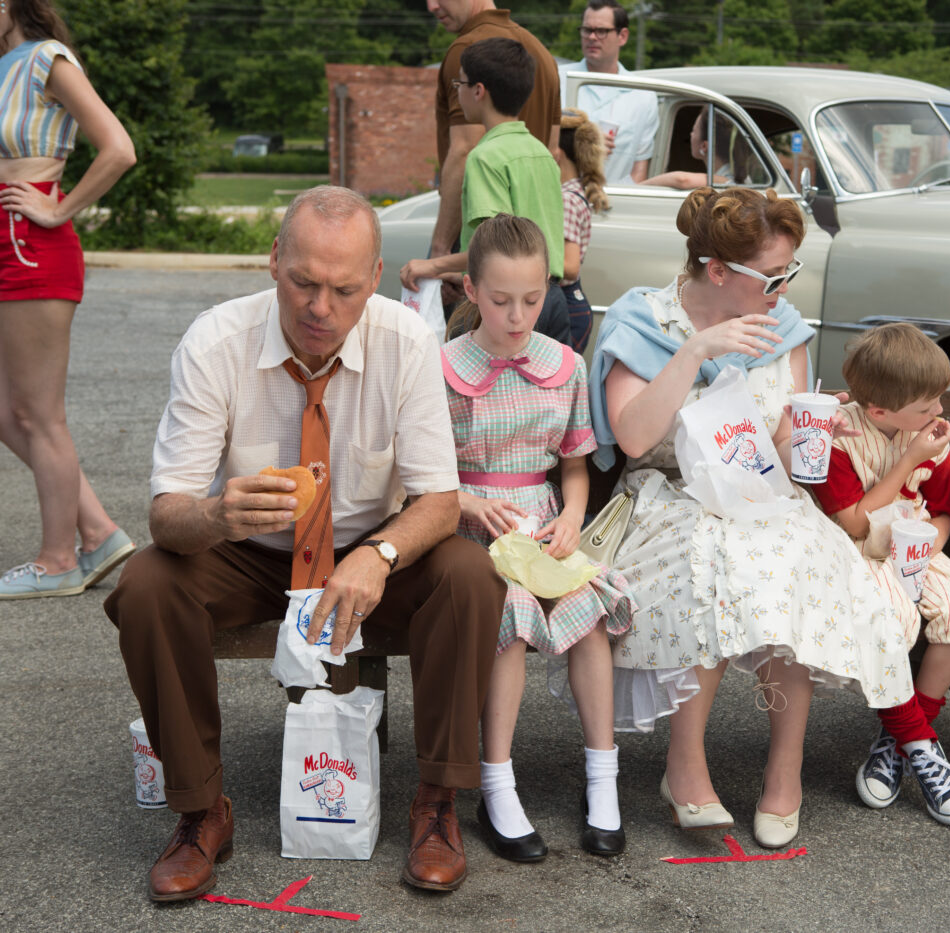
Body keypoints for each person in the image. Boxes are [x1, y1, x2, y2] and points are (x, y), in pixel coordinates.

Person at [103, 186, 506, 900]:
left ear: (376, 276)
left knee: (470, 574)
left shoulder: (406, 338)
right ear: (273, 261)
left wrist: (379, 554)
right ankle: (201, 811)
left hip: (369, 549)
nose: (321, 308)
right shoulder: (215, 341)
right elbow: (166, 513)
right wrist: (218, 516)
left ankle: (437, 801)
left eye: (345, 289)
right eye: (304, 282)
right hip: (249, 549)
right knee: (146, 583)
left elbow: (440, 500)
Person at [589, 186, 915, 850]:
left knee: (791, 559)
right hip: (668, 494)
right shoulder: (643, 321)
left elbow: (783, 443)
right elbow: (630, 438)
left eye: (791, 272)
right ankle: (684, 768)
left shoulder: (783, 327)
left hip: (763, 493)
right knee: (713, 559)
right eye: (774, 276)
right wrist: (696, 352)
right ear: (717, 271)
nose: (785, 287)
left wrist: (806, 441)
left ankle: (784, 767)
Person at [443, 213, 634, 862]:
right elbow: (423, 475)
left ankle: (601, 778)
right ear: (471, 291)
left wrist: (574, 516)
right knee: (514, 617)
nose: (518, 316)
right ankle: (496, 782)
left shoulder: (566, 366)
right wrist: (468, 500)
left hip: (542, 519)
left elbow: (574, 466)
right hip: (469, 526)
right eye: (500, 301)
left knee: (589, 610)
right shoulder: (443, 368)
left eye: (532, 300)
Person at [810, 323, 950, 826]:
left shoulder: (928, 432)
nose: (938, 413)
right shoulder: (840, 437)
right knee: (886, 619)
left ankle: (896, 741)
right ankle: (922, 749)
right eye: (926, 405)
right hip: (856, 552)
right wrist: (909, 459)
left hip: (914, 546)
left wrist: (930, 545)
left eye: (939, 399)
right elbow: (853, 521)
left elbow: (939, 511)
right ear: (879, 412)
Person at [0, 0, 137, 599]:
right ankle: (98, 530)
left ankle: (58, 560)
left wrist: (57, 208)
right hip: (8, 243)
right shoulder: (6, 65)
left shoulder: (44, 60)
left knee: (39, 415)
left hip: (30, 245)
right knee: (9, 411)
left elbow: (118, 148)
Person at [401, 37, 569, 346]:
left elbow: (492, 250)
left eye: (459, 83)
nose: (457, 90)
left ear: (478, 91)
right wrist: (457, 274)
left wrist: (431, 265)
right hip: (550, 298)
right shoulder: (541, 153)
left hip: (507, 307)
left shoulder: (484, 157)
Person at [426, 0, 560, 290]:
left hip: (485, 265)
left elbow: (465, 149)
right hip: (541, 275)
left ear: (477, 91)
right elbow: (553, 149)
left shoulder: (468, 51)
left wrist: (439, 252)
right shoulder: (541, 54)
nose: (431, 6)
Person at [558, 0, 658, 184]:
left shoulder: (643, 95)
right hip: (562, 198)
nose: (592, 37)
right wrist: (581, 141)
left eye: (602, 31)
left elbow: (639, 169)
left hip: (615, 205)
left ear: (623, 36)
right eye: (587, 30)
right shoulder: (558, 80)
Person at [557, 107, 608, 352]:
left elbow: (570, 266)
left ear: (557, 153)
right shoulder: (574, 191)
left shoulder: (566, 199)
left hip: (567, 307)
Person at [641, 106, 748, 190]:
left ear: (704, 146)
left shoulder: (726, 179)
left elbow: (682, 180)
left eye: (694, 131)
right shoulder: (734, 172)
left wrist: (639, 187)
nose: (691, 135)